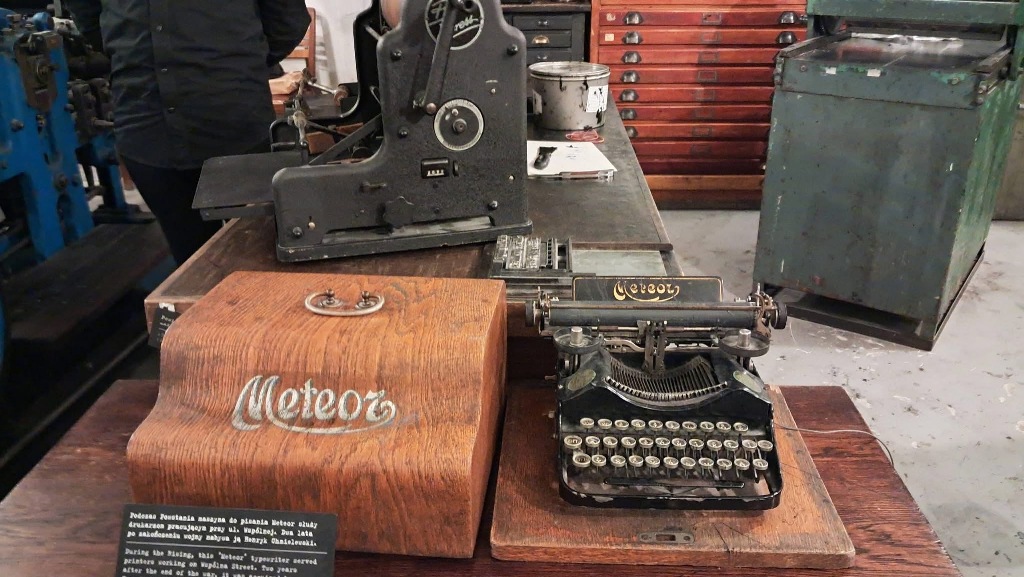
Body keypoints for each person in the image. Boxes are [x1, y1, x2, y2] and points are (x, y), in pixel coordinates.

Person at [64, 0, 311, 264]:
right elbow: (88, 16)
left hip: (236, 127)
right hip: (149, 130)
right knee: (192, 263)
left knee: (259, 254)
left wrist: (236, 61)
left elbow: (288, 21)